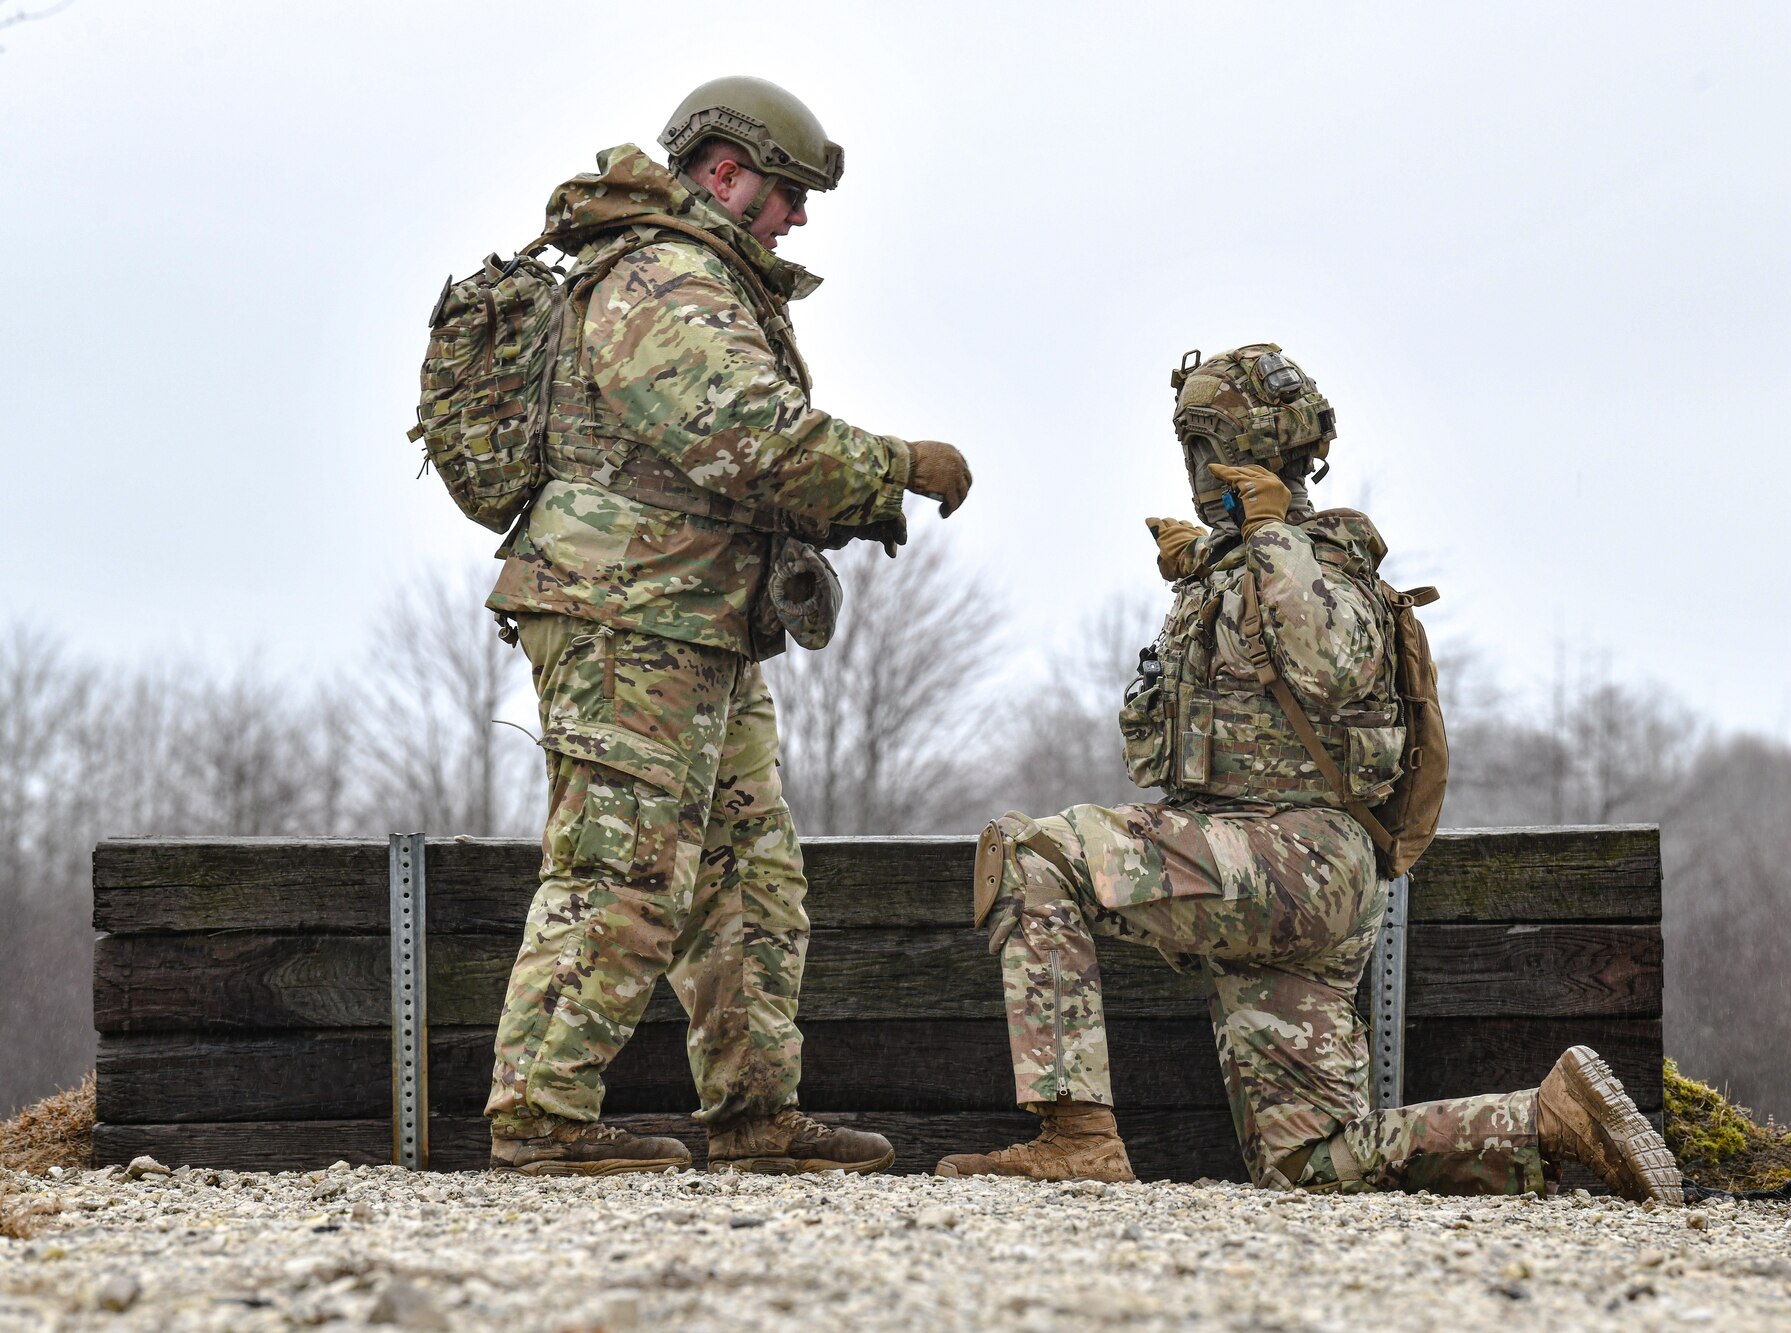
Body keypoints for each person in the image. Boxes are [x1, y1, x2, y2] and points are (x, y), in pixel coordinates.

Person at [934, 345, 1679, 1203]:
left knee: (1035, 854)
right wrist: (1207, 584)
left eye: (1204, 447)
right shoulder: (1249, 565)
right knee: (1310, 1160)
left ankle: (1077, 1135)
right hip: (1288, 877)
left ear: (1244, 451)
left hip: (1292, 861)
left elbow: (1328, 664)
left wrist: (1271, 540)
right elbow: (1158, 752)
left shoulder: (1320, 564)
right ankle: (1546, 1120)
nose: (1193, 469)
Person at [483, 76, 973, 1176]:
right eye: (787, 193)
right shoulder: (664, 277)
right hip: (625, 618)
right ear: (724, 175)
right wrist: (896, 467)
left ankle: (755, 1115)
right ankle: (539, 1118)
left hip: (692, 619)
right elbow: (747, 435)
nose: (797, 217)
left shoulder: (703, 276)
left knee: (751, 873)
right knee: (624, 863)